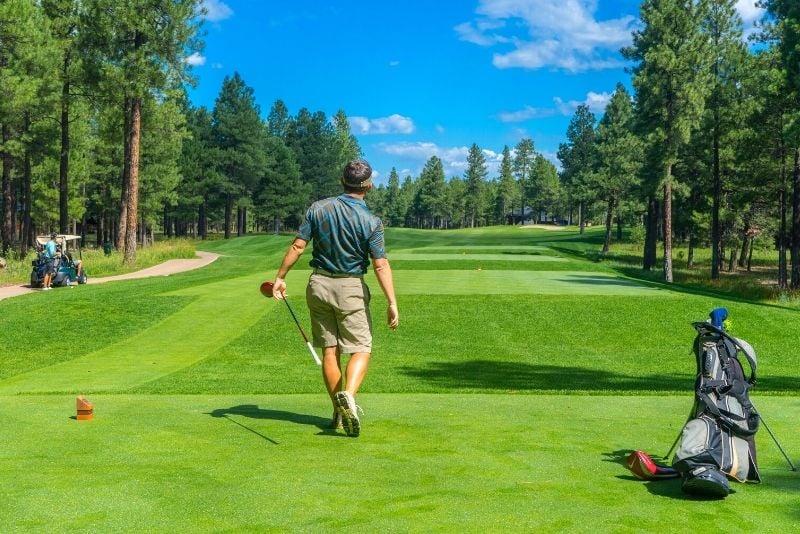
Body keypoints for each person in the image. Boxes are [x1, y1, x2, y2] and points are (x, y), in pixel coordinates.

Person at [272, 159, 399, 437]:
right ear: (369, 185)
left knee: (330, 350)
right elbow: (380, 265)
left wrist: (280, 277)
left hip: (318, 284)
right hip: (350, 287)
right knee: (361, 348)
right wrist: (392, 302)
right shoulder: (372, 221)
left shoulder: (318, 208)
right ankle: (349, 398)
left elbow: (298, 246)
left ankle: (338, 412)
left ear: (342, 181)